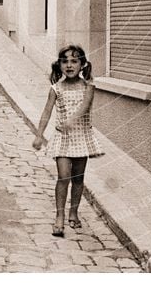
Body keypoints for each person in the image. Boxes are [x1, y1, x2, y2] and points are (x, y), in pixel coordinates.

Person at [32, 45, 103, 237]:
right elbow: (47, 111)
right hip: (62, 139)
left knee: (78, 178)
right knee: (64, 176)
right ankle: (59, 216)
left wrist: (70, 121)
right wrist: (39, 134)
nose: (69, 65)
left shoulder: (88, 86)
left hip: (81, 136)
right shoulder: (56, 88)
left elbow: (84, 106)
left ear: (82, 65)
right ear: (59, 65)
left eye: (74, 61)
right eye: (65, 61)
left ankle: (74, 212)